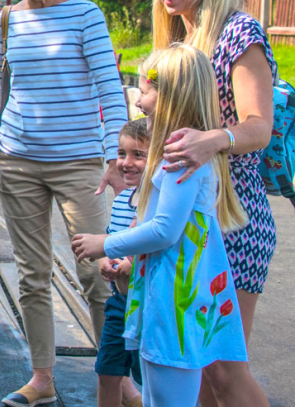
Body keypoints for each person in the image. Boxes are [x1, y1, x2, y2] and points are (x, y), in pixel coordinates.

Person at [130, 0, 274, 407]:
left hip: (230, 219)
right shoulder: (179, 33)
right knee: (195, 369)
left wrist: (210, 140)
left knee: (221, 369)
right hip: (185, 218)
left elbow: (259, 127)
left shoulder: (238, 32)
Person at [0, 0, 126, 407]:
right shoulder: (7, 19)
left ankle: (119, 382)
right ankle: (42, 379)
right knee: (32, 274)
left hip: (80, 163)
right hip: (19, 162)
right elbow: (2, 82)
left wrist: (116, 154)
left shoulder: (86, 15)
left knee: (99, 272)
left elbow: (111, 87)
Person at [72, 45, 250, 407]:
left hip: (174, 303)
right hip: (167, 296)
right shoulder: (179, 151)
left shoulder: (181, 156)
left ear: (171, 95)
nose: (139, 101)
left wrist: (106, 243)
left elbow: (165, 231)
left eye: (146, 90)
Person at [94, 119, 148, 407]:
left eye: (138, 155)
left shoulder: (155, 202)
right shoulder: (122, 199)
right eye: (122, 153)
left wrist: (131, 262)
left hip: (147, 306)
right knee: (107, 371)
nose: (126, 163)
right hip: (119, 303)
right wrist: (104, 256)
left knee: (149, 376)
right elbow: (110, 236)